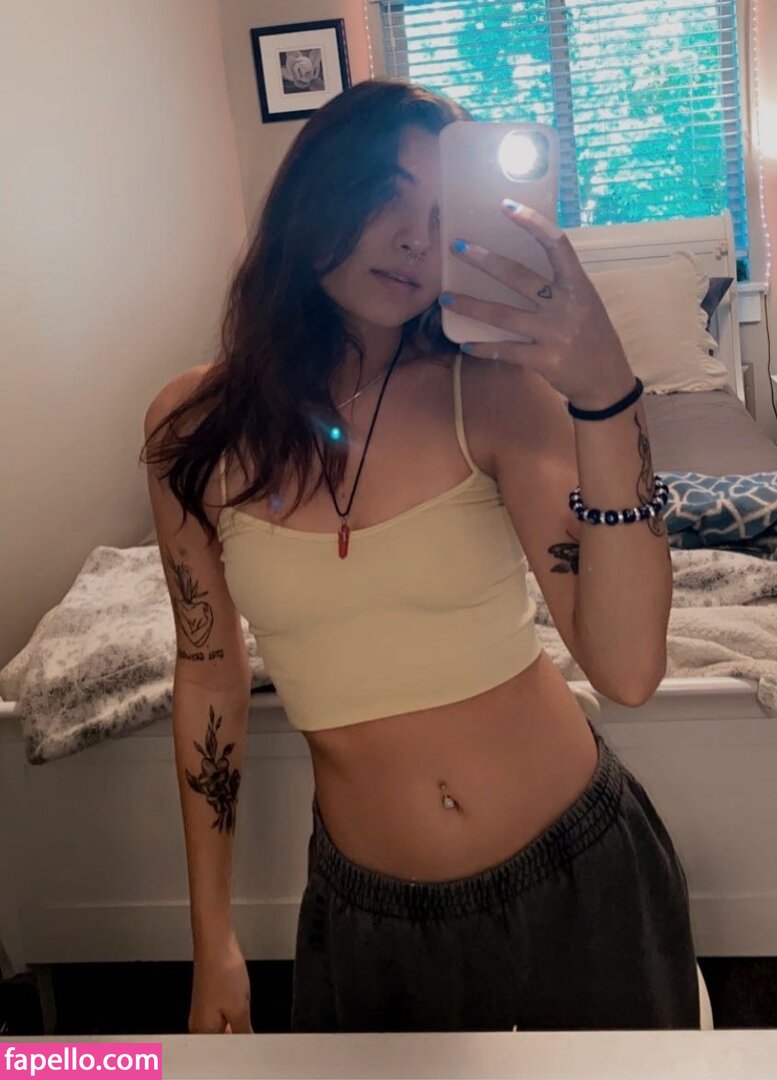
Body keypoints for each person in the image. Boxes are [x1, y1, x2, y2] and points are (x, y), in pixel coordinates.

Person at [141, 77, 699, 1035]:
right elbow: (207, 673)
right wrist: (214, 937)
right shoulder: (194, 429)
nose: (414, 239)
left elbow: (627, 669)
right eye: (386, 196)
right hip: (371, 918)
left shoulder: (491, 393)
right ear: (316, 193)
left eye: (444, 216)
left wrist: (604, 393)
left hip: (580, 871)